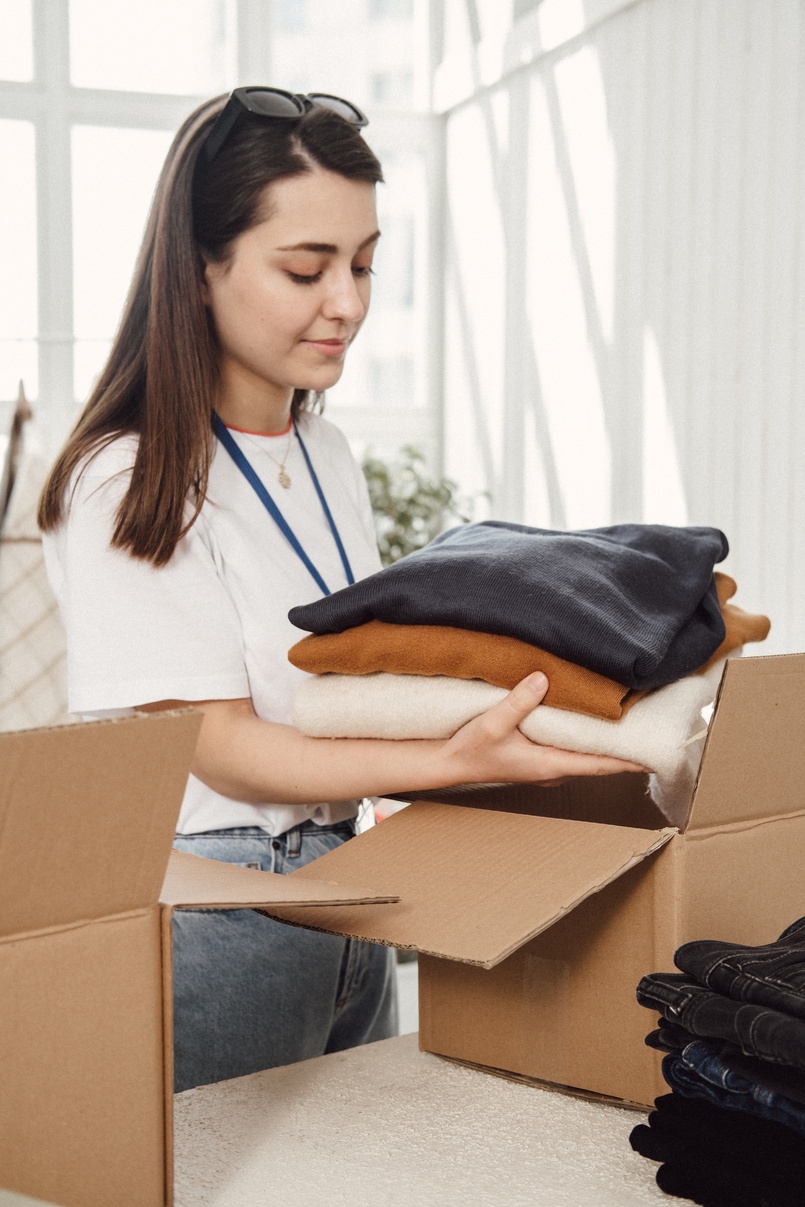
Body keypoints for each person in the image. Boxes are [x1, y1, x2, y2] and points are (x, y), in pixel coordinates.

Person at [38, 87, 644, 1092]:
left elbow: (339, 683)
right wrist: (449, 759)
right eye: (306, 268)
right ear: (198, 269)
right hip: (217, 907)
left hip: (351, 887)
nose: (350, 302)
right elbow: (220, 747)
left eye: (363, 263)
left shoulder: (328, 451)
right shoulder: (127, 478)